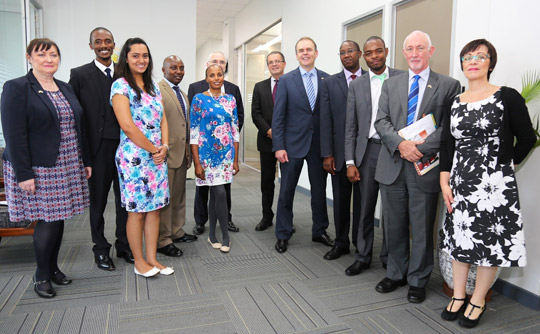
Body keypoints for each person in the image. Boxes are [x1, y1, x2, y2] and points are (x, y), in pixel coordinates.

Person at [439, 39, 535, 328]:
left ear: (490, 63)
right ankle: (458, 295)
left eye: (480, 56)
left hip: (494, 185)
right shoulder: (454, 102)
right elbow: (447, 144)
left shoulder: (507, 96)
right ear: (462, 64)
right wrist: (445, 181)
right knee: (460, 240)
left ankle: (478, 299)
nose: (473, 61)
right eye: (468, 56)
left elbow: (528, 138)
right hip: (459, 181)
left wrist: (506, 165)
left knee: (488, 243)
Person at [374, 31, 460, 303]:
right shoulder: (391, 84)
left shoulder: (448, 85)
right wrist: (402, 145)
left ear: (430, 50)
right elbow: (381, 121)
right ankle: (396, 273)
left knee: (422, 227)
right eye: (409, 48)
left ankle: (418, 280)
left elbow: (449, 127)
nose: (414, 53)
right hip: (394, 165)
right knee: (394, 225)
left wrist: (418, 149)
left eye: (420, 48)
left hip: (426, 166)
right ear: (403, 52)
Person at [1, 38, 91, 298]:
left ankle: (52, 268)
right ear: (29, 57)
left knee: (59, 217)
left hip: (66, 162)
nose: (48, 59)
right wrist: (24, 173)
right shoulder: (17, 87)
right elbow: (14, 134)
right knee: (47, 220)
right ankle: (40, 275)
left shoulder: (64, 88)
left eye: (53, 54)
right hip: (38, 167)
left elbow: (78, 127)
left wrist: (84, 160)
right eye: (42, 55)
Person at [69, 27, 133, 271]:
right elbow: (76, 117)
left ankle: (124, 245)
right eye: (98, 42)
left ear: (114, 44)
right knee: (97, 202)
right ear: (91, 46)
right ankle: (100, 248)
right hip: (98, 151)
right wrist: (81, 154)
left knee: (124, 201)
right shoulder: (79, 75)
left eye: (108, 41)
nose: (103, 45)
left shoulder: (124, 73)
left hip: (126, 148)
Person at [110, 37, 172, 277]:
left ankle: (152, 258)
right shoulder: (120, 86)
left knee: (155, 209)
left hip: (157, 157)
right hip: (134, 158)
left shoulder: (154, 86)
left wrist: (164, 146)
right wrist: (154, 149)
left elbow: (163, 119)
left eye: (145, 55)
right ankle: (139, 262)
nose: (141, 60)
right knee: (136, 211)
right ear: (126, 58)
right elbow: (127, 126)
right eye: (135, 55)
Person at [343, 36, 403, 274]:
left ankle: (390, 258)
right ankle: (363, 255)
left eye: (379, 51)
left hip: (393, 152)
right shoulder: (357, 85)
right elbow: (350, 127)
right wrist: (350, 161)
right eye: (369, 53)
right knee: (364, 208)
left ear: (386, 52)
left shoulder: (402, 78)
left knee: (391, 210)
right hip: (367, 152)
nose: (374, 56)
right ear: (363, 56)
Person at [272, 37, 333, 254]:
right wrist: (279, 146)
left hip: (319, 147)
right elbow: (278, 117)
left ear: (316, 53)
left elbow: (329, 116)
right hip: (291, 146)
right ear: (296, 55)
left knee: (319, 192)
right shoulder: (286, 80)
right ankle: (283, 233)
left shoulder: (327, 79)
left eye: (309, 50)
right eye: (301, 50)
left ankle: (320, 231)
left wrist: (330, 149)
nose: (305, 53)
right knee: (286, 192)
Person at [188, 51, 244, 235]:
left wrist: (235, 157)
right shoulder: (197, 94)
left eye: (219, 72)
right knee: (203, 190)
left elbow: (236, 125)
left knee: (223, 191)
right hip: (205, 153)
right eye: (212, 73)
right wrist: (196, 161)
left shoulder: (231, 96)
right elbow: (194, 130)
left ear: (224, 72)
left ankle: (225, 220)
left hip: (226, 153)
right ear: (206, 76)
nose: (216, 77)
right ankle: (201, 222)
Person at [319, 40, 364, 261]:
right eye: (342, 53)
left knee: (363, 202)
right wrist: (327, 153)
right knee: (340, 200)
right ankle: (341, 242)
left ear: (360, 54)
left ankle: (361, 244)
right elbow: (324, 119)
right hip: (337, 151)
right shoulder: (329, 82)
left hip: (366, 151)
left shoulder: (372, 79)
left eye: (350, 51)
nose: (346, 55)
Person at [156, 56, 197, 258]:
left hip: (182, 153)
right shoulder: (157, 90)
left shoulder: (182, 93)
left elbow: (185, 125)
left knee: (179, 196)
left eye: (181, 68)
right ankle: (163, 239)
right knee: (166, 199)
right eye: (173, 68)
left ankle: (177, 231)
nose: (178, 71)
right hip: (167, 153)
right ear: (163, 70)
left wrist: (189, 149)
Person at [251, 51, 286, 231]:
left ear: (284, 64)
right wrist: (270, 131)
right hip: (266, 141)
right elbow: (255, 113)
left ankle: (285, 218)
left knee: (287, 182)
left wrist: (281, 133)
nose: (274, 64)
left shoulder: (291, 84)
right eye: (270, 62)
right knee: (267, 181)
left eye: (277, 61)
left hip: (288, 143)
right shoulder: (260, 87)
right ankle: (267, 216)